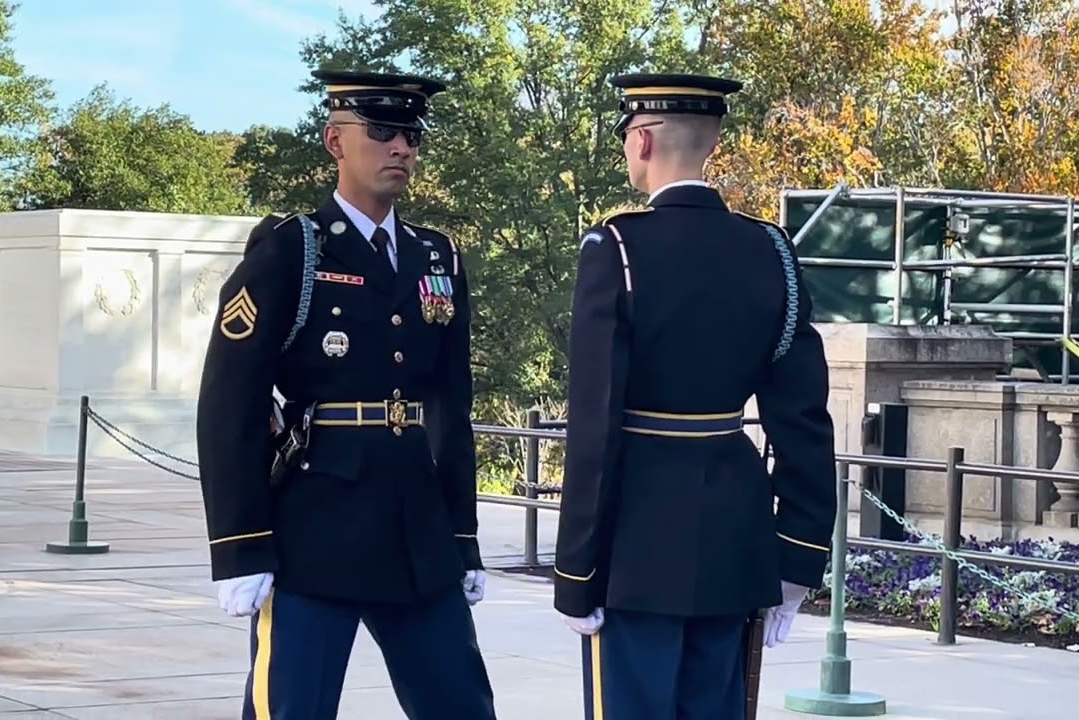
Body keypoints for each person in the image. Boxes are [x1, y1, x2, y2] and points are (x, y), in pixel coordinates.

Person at [194, 68, 497, 720]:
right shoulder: (292, 250)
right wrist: (239, 545)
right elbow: (230, 401)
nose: (402, 148)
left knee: (463, 708)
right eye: (383, 131)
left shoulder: (435, 256)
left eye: (412, 135)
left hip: (418, 534)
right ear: (335, 141)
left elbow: (450, 407)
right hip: (315, 534)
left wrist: (463, 534)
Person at [551, 72, 838, 719]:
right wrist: (797, 555)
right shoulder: (771, 250)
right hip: (732, 543)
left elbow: (594, 430)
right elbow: (803, 419)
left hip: (634, 549)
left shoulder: (616, 247)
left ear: (644, 142)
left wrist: (575, 574)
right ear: (710, 143)